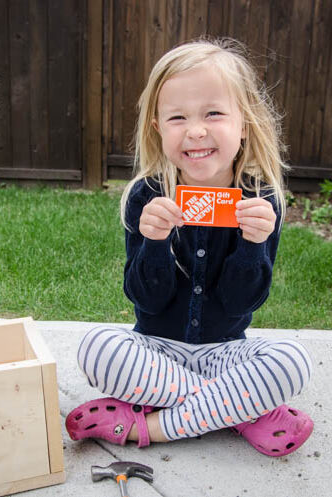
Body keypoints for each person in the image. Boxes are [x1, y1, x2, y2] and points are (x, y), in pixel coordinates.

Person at [66, 37, 313, 457]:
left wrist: (253, 247)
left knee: (293, 360)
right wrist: (154, 243)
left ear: (245, 122)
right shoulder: (146, 196)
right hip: (154, 349)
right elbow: (145, 300)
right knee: (97, 347)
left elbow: (242, 304)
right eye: (178, 117)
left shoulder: (260, 200)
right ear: (159, 128)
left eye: (213, 113)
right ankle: (242, 412)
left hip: (226, 352)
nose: (196, 130)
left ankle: (148, 425)